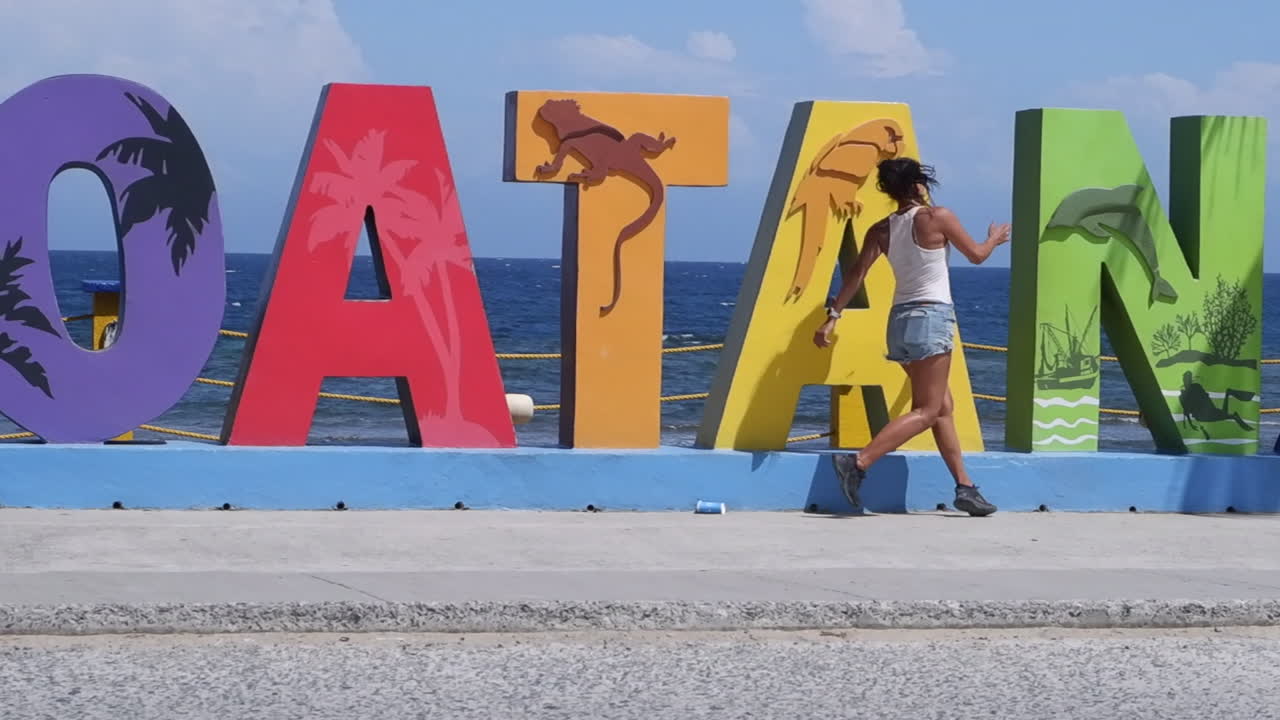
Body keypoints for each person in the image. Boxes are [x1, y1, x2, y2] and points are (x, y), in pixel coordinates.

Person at [813, 157, 1009, 516]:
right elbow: (978, 256)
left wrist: (832, 318)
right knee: (928, 408)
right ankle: (858, 462)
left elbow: (855, 275)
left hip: (899, 320)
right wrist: (995, 238)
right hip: (930, 316)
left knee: (942, 407)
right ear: (920, 184)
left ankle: (965, 488)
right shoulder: (938, 217)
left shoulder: (881, 229)